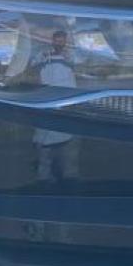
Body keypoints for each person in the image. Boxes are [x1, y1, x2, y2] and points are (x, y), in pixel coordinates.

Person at [34, 29, 79, 182]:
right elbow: (34, 65)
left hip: (67, 101)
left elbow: (77, 64)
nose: (60, 43)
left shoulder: (71, 54)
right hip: (47, 100)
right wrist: (46, 56)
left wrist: (64, 55)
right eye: (57, 40)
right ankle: (43, 176)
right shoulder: (42, 54)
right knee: (44, 141)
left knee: (69, 141)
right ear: (53, 40)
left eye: (62, 40)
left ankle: (70, 175)